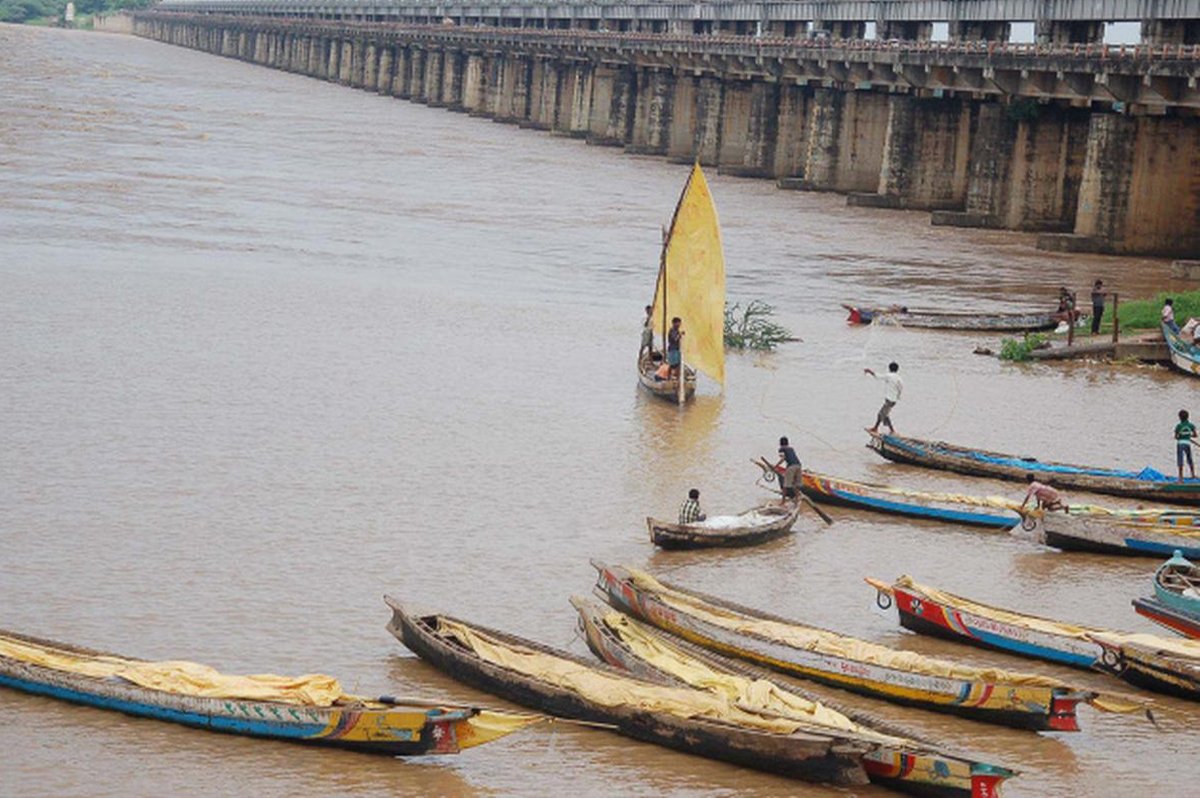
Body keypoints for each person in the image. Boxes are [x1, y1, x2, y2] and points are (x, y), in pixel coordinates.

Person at [864, 362, 902, 434]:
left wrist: (869, 371)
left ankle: (875, 428)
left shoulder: (889, 376)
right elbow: (900, 388)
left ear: (889, 368)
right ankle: (892, 430)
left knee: (880, 414)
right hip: (893, 400)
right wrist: (898, 396)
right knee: (885, 415)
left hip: (889, 400)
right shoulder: (899, 378)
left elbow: (878, 376)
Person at [774, 436, 802, 503]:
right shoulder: (791, 449)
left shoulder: (781, 449)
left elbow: (783, 458)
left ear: (780, 443)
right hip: (798, 465)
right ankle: (797, 499)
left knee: (785, 485)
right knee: (796, 484)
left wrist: (776, 466)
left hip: (791, 467)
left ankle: (783, 502)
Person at [1176, 410, 1197, 481]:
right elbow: (1195, 435)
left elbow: (1176, 437)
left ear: (1179, 417)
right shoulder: (1191, 425)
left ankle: (1180, 478)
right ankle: (1193, 475)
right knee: (1189, 458)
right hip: (1187, 443)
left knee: (1180, 460)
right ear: (1188, 417)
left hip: (1180, 444)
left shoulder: (1178, 426)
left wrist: (1181, 436)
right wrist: (1188, 435)